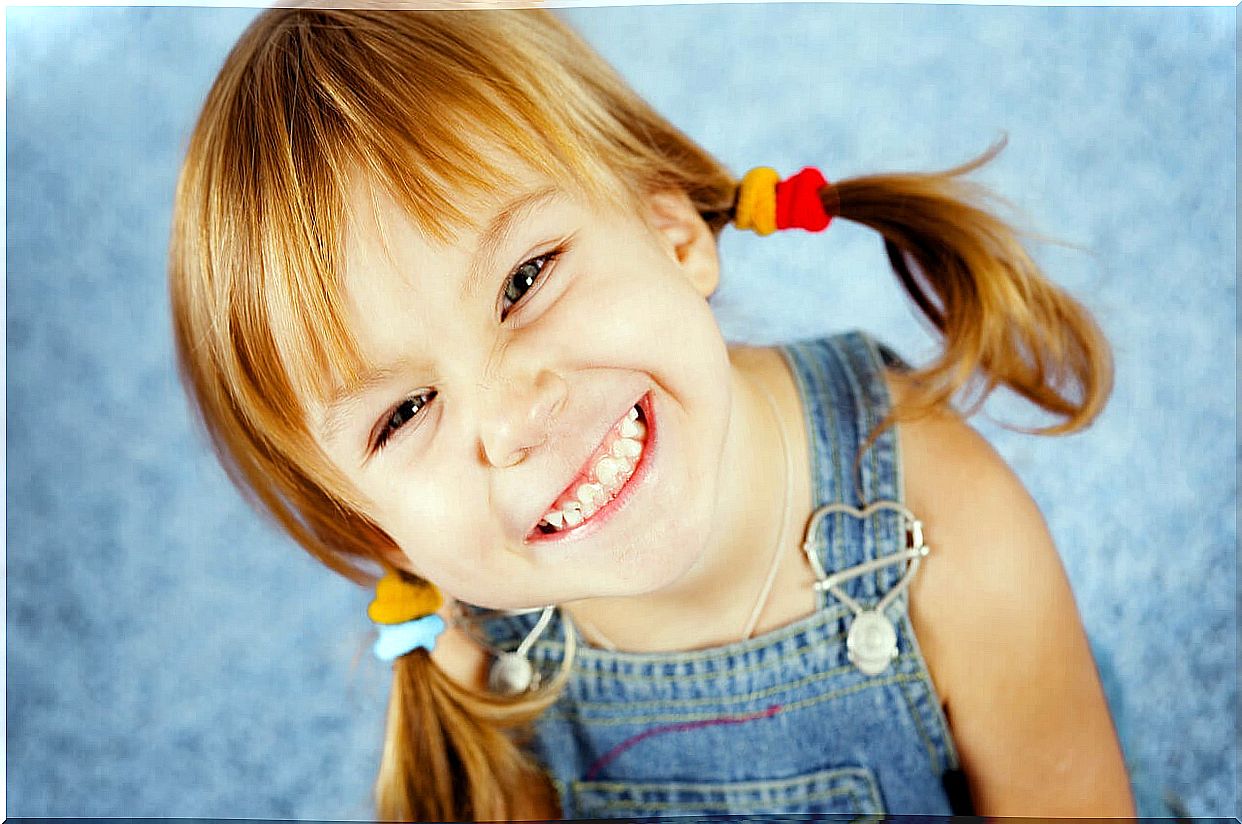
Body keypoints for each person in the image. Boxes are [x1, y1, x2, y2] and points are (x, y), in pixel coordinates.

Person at [168, 8, 1136, 820]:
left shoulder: (938, 514)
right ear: (375, 525)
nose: (515, 417)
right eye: (406, 409)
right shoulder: (485, 658)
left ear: (672, 235)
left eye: (525, 279)